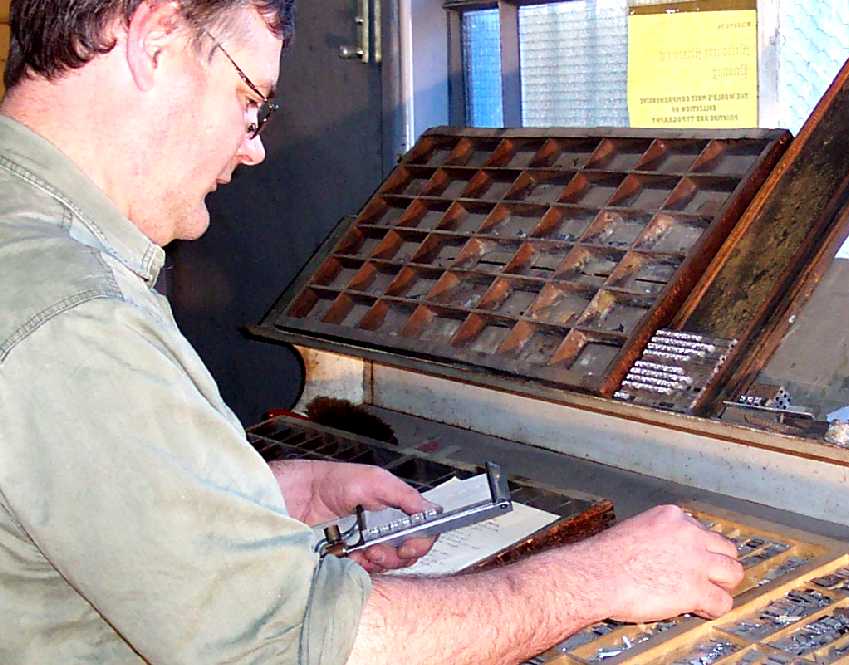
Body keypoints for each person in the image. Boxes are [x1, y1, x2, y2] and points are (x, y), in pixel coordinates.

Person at [0, 1, 744, 664]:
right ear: (156, 35)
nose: (253, 146)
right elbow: (304, 644)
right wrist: (600, 573)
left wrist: (259, 495)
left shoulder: (32, 246)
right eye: (249, 98)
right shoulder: (72, 311)